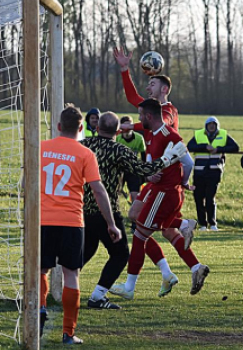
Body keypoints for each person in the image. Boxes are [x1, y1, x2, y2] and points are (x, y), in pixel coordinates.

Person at [114, 47, 209, 296]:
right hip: (155, 181)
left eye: (152, 84)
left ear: (164, 89)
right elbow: (135, 99)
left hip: (164, 183)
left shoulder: (166, 112)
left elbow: (159, 123)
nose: (148, 88)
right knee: (145, 221)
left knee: (145, 230)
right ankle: (182, 269)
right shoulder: (152, 112)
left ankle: (139, 283)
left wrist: (124, 126)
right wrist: (124, 69)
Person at [81, 111, 186, 310]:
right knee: (120, 255)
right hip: (106, 211)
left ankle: (64, 285)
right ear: (117, 131)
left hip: (83, 209)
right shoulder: (119, 150)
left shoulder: (84, 145)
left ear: (96, 128)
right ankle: (97, 296)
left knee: (87, 250)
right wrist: (169, 159)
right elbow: (144, 170)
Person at [40, 104, 121, 344]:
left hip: (43, 220)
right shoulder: (85, 153)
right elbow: (98, 189)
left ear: (58, 127)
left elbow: (26, 184)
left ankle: (40, 308)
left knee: (40, 271)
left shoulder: (41, 148)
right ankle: (68, 332)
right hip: (72, 222)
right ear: (82, 128)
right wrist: (111, 224)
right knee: (71, 275)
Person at [187, 116, 239, 231]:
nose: (211, 126)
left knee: (210, 198)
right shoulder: (198, 135)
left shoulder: (223, 135)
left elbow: (235, 147)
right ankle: (202, 224)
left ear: (217, 126)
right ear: (206, 126)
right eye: (209, 124)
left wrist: (218, 149)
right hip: (199, 172)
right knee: (198, 198)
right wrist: (204, 147)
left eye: (213, 125)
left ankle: (212, 223)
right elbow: (189, 147)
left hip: (214, 172)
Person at [116, 115, 146, 231]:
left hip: (133, 170)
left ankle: (135, 224)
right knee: (115, 195)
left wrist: (144, 173)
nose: (128, 129)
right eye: (125, 126)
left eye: (130, 126)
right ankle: (116, 220)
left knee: (135, 196)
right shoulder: (118, 139)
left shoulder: (139, 138)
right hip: (120, 170)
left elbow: (143, 157)